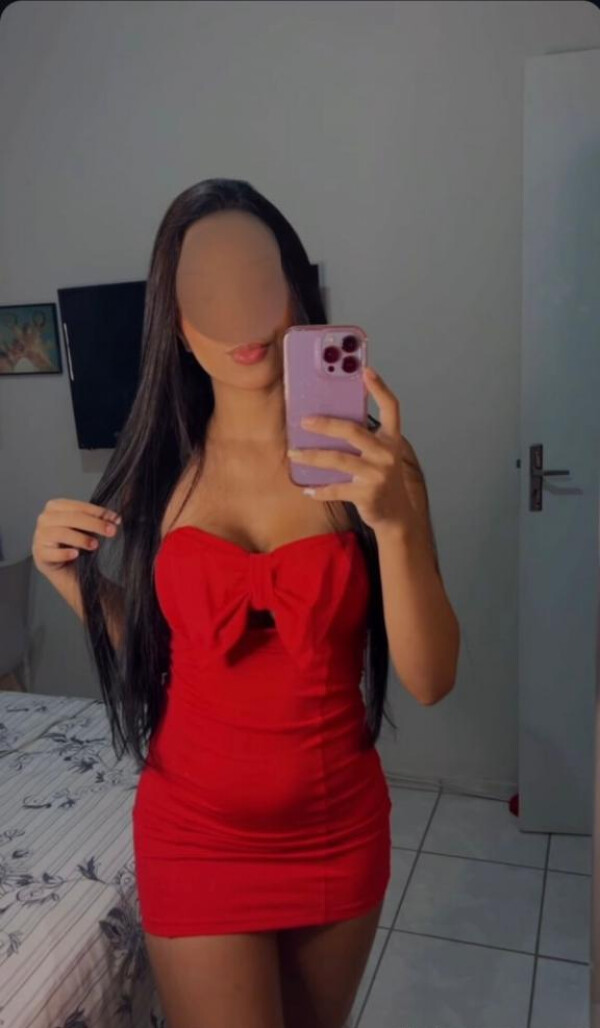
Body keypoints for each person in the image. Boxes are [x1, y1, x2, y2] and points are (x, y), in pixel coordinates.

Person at [32, 178, 454, 1028]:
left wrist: (398, 524)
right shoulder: (156, 471)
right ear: (177, 324)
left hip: (337, 831)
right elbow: (159, 660)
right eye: (206, 294)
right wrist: (76, 581)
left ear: (297, 291)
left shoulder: (375, 467)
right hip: (194, 833)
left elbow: (431, 678)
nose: (237, 318)